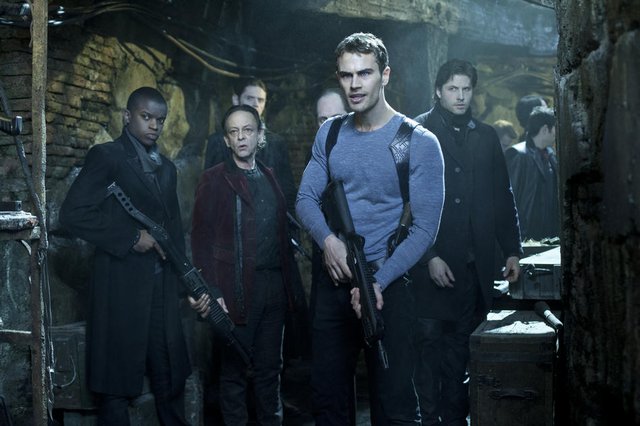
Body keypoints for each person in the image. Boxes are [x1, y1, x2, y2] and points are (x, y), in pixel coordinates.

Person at [296, 32, 445, 425]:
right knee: (328, 403)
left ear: (385, 75)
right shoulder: (330, 133)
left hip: (387, 285)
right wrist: (328, 241)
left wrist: (378, 281)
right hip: (334, 284)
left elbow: (425, 229)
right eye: (347, 75)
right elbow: (305, 199)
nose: (355, 84)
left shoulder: (415, 141)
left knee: (395, 406)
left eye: (365, 73)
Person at [59, 87, 192, 425]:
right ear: (127, 116)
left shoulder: (167, 169)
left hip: (161, 287)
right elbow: (73, 214)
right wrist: (131, 237)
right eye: (146, 117)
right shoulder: (107, 156)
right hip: (119, 287)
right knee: (116, 387)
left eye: (160, 120)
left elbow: (174, 231)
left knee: (170, 375)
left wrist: (188, 285)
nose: (154, 126)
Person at [413, 59, 523, 425]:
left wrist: (512, 250)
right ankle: (428, 421)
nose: (460, 96)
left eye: (466, 89)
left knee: (460, 355)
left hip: (473, 269)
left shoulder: (486, 136)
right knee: (427, 354)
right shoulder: (416, 131)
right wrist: (428, 256)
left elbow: (502, 196)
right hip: (431, 269)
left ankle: (455, 421)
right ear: (438, 91)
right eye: (452, 89)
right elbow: (404, 201)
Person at [190, 104, 295, 425]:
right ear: (226, 140)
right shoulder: (214, 180)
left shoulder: (269, 176)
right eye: (233, 132)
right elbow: (200, 239)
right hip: (236, 288)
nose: (241, 137)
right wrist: (212, 289)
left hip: (273, 287)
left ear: (260, 135)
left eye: (247, 130)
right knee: (234, 372)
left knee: (270, 370)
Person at [203, 78, 297, 211]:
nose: (255, 104)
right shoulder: (218, 141)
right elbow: (209, 190)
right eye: (249, 98)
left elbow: (287, 190)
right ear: (236, 100)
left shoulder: (276, 142)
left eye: (260, 100)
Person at [505, 106, 559, 241]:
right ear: (545, 129)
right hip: (526, 233)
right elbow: (510, 197)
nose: (557, 132)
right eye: (555, 128)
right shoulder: (518, 154)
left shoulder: (551, 155)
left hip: (549, 233)